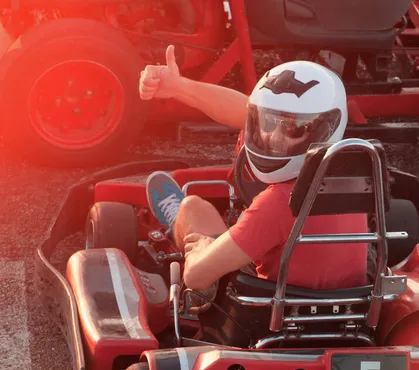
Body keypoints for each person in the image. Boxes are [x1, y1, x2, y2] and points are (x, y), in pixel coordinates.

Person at [139, 45, 369, 297]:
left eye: (292, 129)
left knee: (193, 207)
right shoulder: (361, 182)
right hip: (349, 310)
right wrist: (178, 87)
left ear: (322, 130)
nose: (273, 138)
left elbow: (195, 275)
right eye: (269, 123)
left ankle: (179, 233)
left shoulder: (279, 202)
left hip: (268, 315)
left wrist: (203, 246)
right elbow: (248, 111)